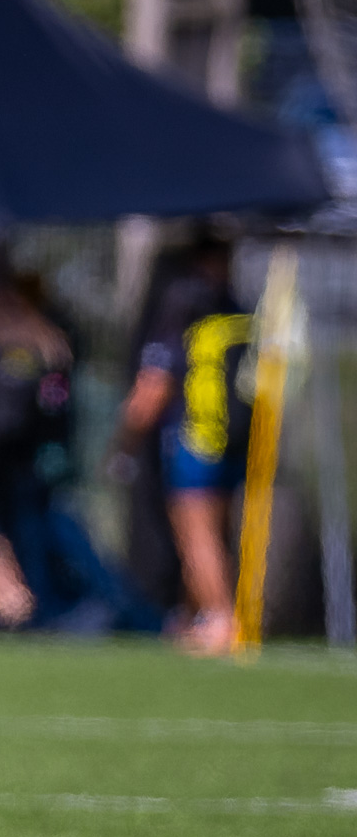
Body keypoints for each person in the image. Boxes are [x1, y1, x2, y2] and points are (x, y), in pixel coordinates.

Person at [111, 234, 249, 654]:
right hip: (234, 440)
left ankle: (221, 620)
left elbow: (151, 390)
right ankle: (193, 619)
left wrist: (122, 444)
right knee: (216, 532)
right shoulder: (235, 310)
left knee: (197, 535)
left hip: (195, 440)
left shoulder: (180, 307)